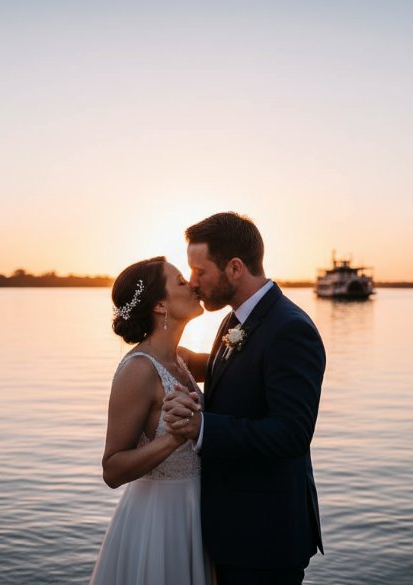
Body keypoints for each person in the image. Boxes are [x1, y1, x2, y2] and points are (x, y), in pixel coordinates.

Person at [163, 212, 326, 585]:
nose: (193, 282)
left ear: (234, 268)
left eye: (200, 271)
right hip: (232, 529)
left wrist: (203, 427)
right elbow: (242, 369)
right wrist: (186, 361)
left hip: (265, 537)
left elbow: (291, 433)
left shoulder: (291, 330)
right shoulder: (236, 319)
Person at [89, 256, 213, 585]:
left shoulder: (181, 358)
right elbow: (112, 469)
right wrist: (173, 439)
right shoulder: (138, 369)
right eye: (180, 282)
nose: (193, 285)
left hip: (194, 512)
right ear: (160, 304)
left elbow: (236, 363)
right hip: (158, 520)